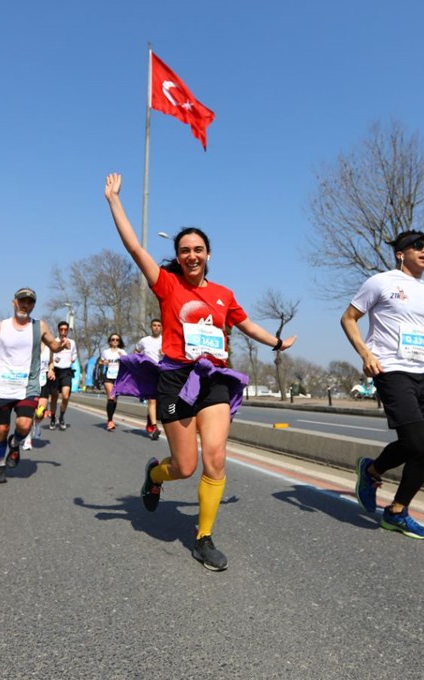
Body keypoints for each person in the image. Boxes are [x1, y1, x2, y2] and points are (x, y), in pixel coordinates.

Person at [105, 172, 296, 572]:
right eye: (185, 249)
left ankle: (203, 538)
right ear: (178, 256)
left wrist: (276, 343)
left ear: (209, 254)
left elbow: (246, 325)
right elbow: (135, 247)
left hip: (213, 379)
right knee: (185, 466)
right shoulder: (167, 284)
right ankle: (155, 474)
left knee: (215, 457)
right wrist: (115, 201)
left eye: (199, 249)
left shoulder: (224, 294)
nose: (192, 254)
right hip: (175, 381)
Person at [341, 229, 424, 540]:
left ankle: (397, 511)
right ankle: (371, 471)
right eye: (418, 246)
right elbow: (348, 318)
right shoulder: (380, 282)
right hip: (391, 369)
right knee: (415, 441)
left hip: (423, 372)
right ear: (401, 253)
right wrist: (365, 353)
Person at [0, 288, 69, 483]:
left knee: (24, 424)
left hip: (27, 384)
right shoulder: (1, 327)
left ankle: (15, 443)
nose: (25, 305)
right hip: (3, 385)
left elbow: (53, 345)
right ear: (14, 302)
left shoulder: (39, 326)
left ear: (33, 305)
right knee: (1, 429)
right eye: (22, 301)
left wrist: (61, 345)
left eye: (30, 302)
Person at [134, 318, 164, 440]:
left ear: (161, 327)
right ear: (151, 327)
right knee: (152, 400)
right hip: (149, 372)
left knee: (161, 401)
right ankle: (155, 426)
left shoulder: (166, 340)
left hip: (163, 372)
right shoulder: (144, 341)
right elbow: (136, 351)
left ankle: (150, 420)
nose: (156, 327)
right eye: (154, 325)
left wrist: (166, 353)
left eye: (158, 325)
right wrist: (139, 361)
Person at [49, 320, 77, 430]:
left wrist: (73, 358)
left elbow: (74, 354)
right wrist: (52, 361)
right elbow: (49, 355)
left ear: (68, 331)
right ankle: (52, 417)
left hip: (66, 371)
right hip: (55, 371)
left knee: (65, 396)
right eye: (61, 329)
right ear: (58, 330)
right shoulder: (54, 341)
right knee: (54, 397)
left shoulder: (72, 342)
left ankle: (61, 416)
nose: (63, 331)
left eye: (65, 329)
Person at [98, 333, 127, 431]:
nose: (115, 341)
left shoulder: (122, 352)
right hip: (108, 376)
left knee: (114, 399)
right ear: (110, 341)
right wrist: (104, 362)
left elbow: (128, 363)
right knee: (111, 396)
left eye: (117, 340)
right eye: (113, 339)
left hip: (118, 377)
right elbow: (100, 362)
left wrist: (122, 358)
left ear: (119, 342)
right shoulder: (106, 352)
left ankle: (110, 417)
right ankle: (110, 421)